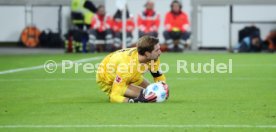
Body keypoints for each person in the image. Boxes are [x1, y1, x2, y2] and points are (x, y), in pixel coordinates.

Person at [96, 36, 167, 103]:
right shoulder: (127, 67)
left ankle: (130, 91)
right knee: (146, 96)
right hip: (106, 78)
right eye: (157, 50)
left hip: (132, 75)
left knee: (154, 93)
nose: (160, 52)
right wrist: (132, 101)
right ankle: (119, 90)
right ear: (147, 54)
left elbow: (158, 76)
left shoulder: (153, 58)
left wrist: (163, 87)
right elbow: (114, 96)